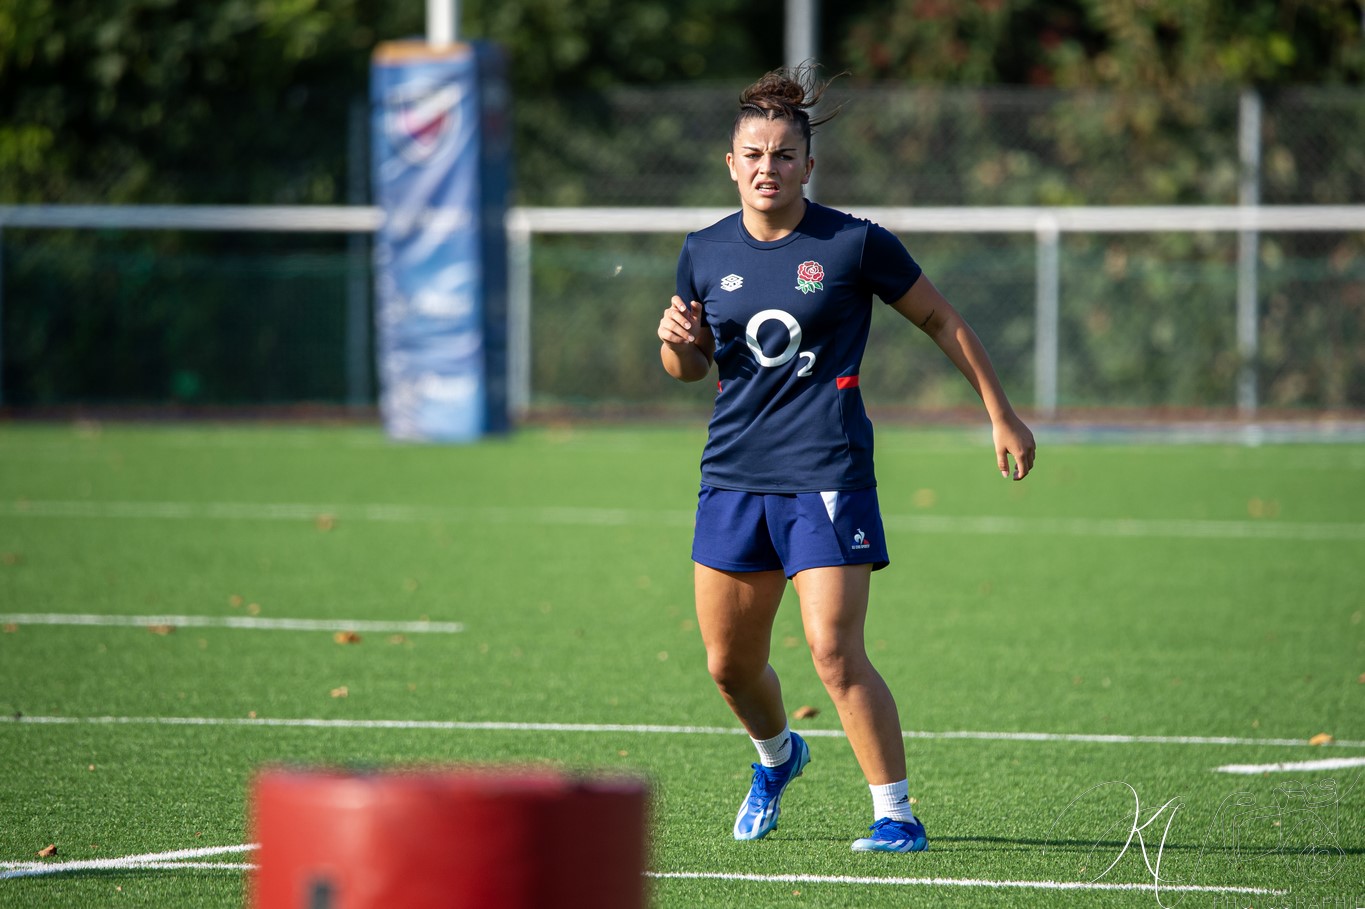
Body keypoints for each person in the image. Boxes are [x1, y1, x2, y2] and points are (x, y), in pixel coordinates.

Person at [656, 66, 1036, 854]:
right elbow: (690, 371)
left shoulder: (851, 242)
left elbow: (941, 319)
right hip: (731, 477)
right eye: (753, 154)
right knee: (728, 665)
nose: (768, 167)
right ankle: (776, 757)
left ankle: (895, 815)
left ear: (808, 165)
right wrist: (678, 348)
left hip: (827, 473)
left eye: (784, 154)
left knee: (832, 647)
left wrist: (999, 412)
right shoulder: (701, 251)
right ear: (730, 162)